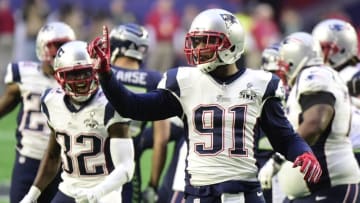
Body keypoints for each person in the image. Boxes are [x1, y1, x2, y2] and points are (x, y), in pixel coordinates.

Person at [89, 8, 322, 203]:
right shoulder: (184, 81)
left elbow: (285, 137)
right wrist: (106, 75)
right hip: (199, 194)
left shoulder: (261, 84)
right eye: (196, 41)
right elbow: (133, 107)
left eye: (207, 42)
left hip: (245, 194)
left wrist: (303, 152)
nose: (198, 48)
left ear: (231, 44)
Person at [20, 40, 135, 203]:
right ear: (60, 76)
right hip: (69, 189)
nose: (80, 80)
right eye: (73, 74)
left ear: (95, 71)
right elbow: (53, 156)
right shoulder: (51, 101)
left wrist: (97, 192)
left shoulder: (110, 104)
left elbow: (126, 168)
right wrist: (31, 196)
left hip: (105, 192)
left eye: (85, 72)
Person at [274, 32, 360, 202]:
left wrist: (279, 157)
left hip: (329, 185)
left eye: (285, 65)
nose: (283, 70)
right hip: (313, 189)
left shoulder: (313, 75)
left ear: (295, 60)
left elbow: (315, 123)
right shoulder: (311, 78)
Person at [0, 21, 75, 203]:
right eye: (57, 45)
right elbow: (6, 103)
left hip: (63, 162)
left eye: (65, 46)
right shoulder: (24, 74)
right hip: (29, 158)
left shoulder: (76, 78)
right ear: (43, 47)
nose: (61, 51)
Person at [108, 23, 171, 203]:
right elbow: (162, 139)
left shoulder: (103, 74)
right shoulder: (154, 80)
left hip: (94, 163)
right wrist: (153, 184)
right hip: (128, 166)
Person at [312, 18, 360, 164]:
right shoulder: (325, 75)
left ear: (341, 48)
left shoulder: (353, 76)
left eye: (322, 48)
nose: (317, 53)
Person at [257, 42, 287, 203]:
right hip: (256, 162)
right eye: (273, 73)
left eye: (280, 73)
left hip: (286, 163)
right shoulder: (253, 94)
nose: (277, 79)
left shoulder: (298, 96)